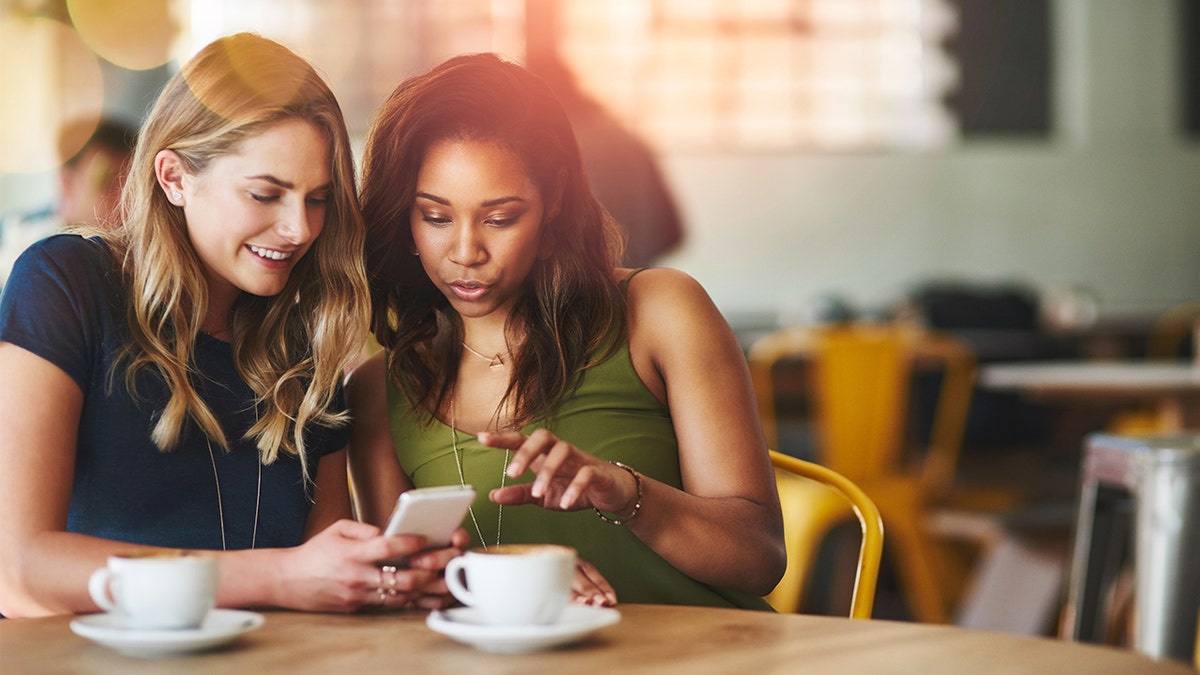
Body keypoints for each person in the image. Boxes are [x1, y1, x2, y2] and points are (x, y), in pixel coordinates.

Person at [0, 33, 465, 619]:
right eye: (265, 194)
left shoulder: (307, 344)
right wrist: (278, 576)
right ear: (173, 177)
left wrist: (388, 577)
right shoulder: (65, 284)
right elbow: (16, 572)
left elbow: (317, 584)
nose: (299, 228)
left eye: (318, 198)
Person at [349, 53, 784, 610]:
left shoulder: (660, 311)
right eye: (435, 217)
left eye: (500, 218)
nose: (465, 253)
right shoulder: (380, 389)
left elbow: (760, 558)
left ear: (553, 199)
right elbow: (404, 594)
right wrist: (487, 577)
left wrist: (626, 494)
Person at [0, 117, 138, 286]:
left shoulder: (145, 250)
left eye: (133, 185)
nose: (126, 198)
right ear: (67, 184)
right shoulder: (12, 239)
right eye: (107, 182)